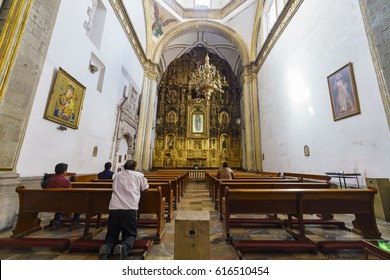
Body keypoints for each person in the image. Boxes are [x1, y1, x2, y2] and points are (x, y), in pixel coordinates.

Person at [99, 160, 149, 260]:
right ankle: (123, 247)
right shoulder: (139, 175)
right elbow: (145, 188)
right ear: (135, 167)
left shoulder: (116, 175)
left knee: (112, 234)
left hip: (114, 208)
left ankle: (106, 248)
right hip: (129, 208)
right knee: (130, 234)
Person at [44, 163, 84, 231]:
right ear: (65, 171)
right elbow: (69, 194)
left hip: (48, 203)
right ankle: (75, 222)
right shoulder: (66, 181)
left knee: (59, 200)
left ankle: (57, 221)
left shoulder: (49, 180)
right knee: (80, 202)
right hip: (61, 204)